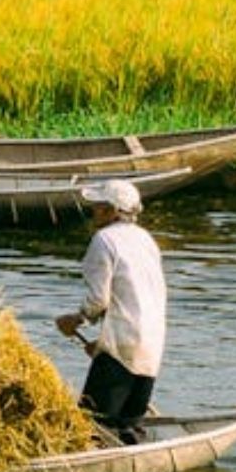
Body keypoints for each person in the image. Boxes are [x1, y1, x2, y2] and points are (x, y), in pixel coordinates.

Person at [55, 177, 166, 444]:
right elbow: (137, 295)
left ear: (111, 210)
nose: (93, 212)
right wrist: (105, 343)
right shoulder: (145, 239)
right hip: (151, 340)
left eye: (97, 207)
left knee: (91, 426)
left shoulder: (104, 240)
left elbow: (99, 300)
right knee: (130, 424)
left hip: (123, 341)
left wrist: (77, 319)